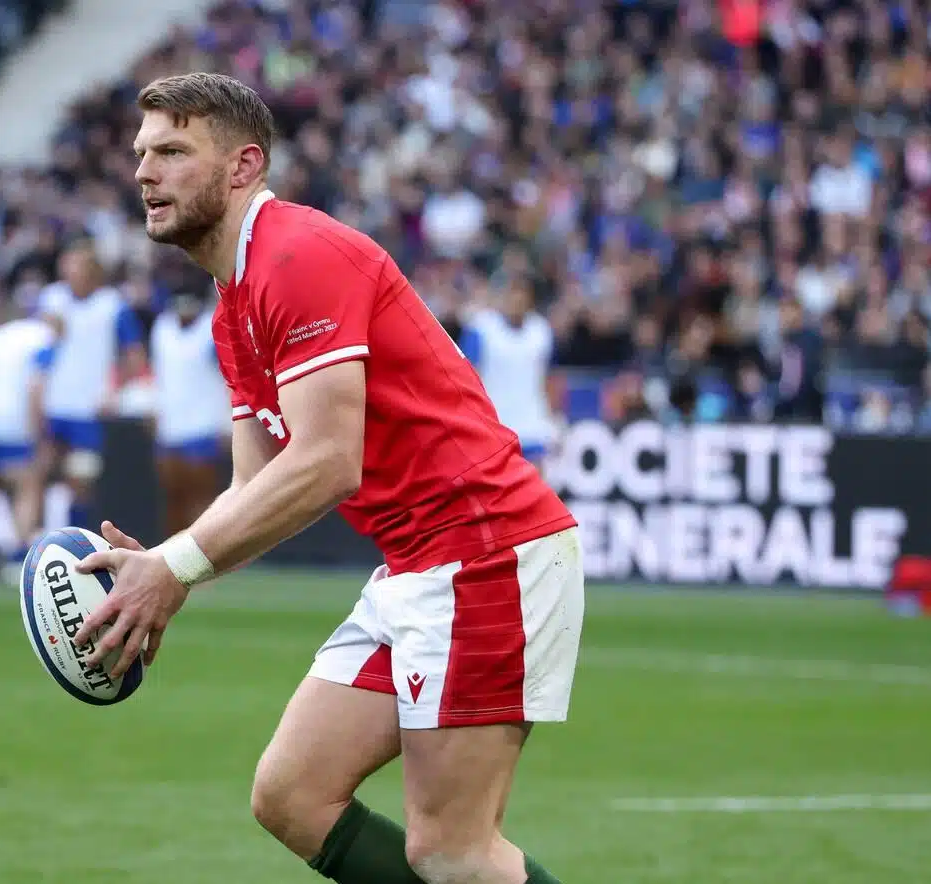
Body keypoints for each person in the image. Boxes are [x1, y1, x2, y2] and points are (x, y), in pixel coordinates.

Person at [72, 73, 583, 884]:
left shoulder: (296, 254)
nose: (144, 172)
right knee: (292, 795)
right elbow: (256, 487)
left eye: (173, 151)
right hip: (421, 565)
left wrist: (176, 569)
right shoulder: (232, 300)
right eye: (142, 154)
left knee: (452, 849)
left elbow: (327, 461)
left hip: (485, 552)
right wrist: (157, 569)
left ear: (243, 167)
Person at [34, 239, 147, 531]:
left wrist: (114, 390)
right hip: (52, 403)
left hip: (88, 408)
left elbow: (135, 356)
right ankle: (31, 541)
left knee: (81, 480)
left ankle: (75, 541)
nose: (72, 273)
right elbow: (39, 346)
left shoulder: (112, 305)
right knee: (39, 472)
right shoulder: (52, 299)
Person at [149, 288, 232, 534]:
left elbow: (230, 377)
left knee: (202, 500)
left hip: (203, 426)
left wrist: (227, 423)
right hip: (169, 428)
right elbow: (159, 374)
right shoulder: (162, 329)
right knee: (173, 499)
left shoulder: (212, 328)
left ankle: (205, 559)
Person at [0, 298, 54, 570]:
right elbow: (36, 385)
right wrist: (40, 431)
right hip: (18, 420)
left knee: (5, 484)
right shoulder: (41, 337)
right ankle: (20, 552)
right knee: (29, 485)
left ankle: (5, 545)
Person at [459, 277, 559, 469]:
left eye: (522, 295)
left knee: (537, 490)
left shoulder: (542, 331)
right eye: (512, 294)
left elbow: (549, 379)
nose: (516, 300)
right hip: (495, 424)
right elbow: (468, 378)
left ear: (530, 299)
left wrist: (553, 417)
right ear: (501, 296)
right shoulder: (481, 329)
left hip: (533, 424)